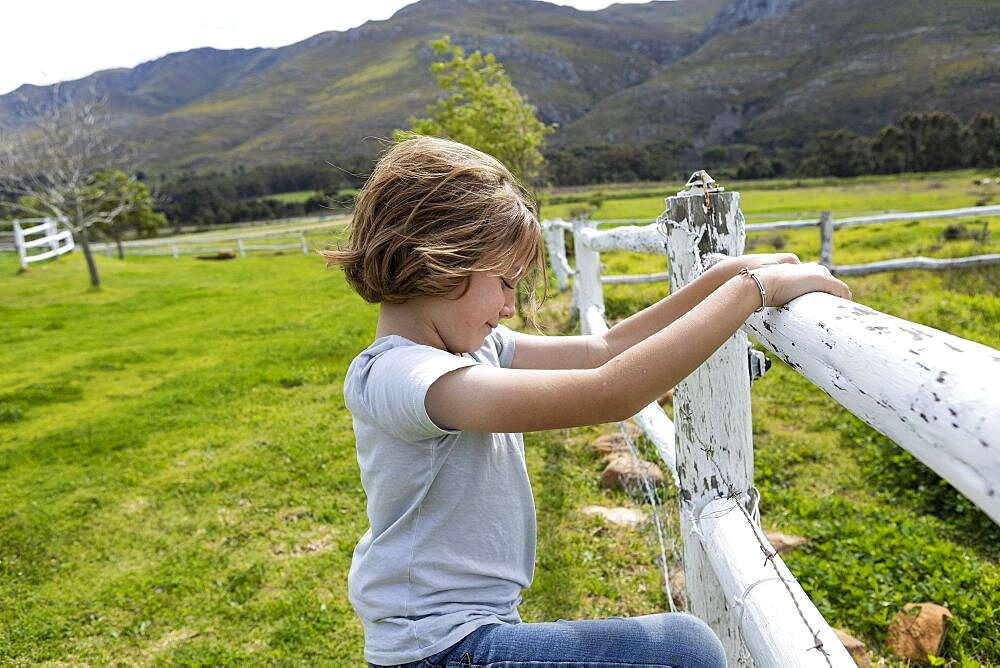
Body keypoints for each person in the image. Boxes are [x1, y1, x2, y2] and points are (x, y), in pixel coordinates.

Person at [323, 135, 851, 668]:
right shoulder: (402, 375)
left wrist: (727, 275)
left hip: (473, 634)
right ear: (437, 261)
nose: (509, 306)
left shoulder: (473, 348)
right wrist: (752, 292)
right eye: (505, 282)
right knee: (682, 651)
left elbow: (606, 348)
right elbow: (610, 390)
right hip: (438, 651)